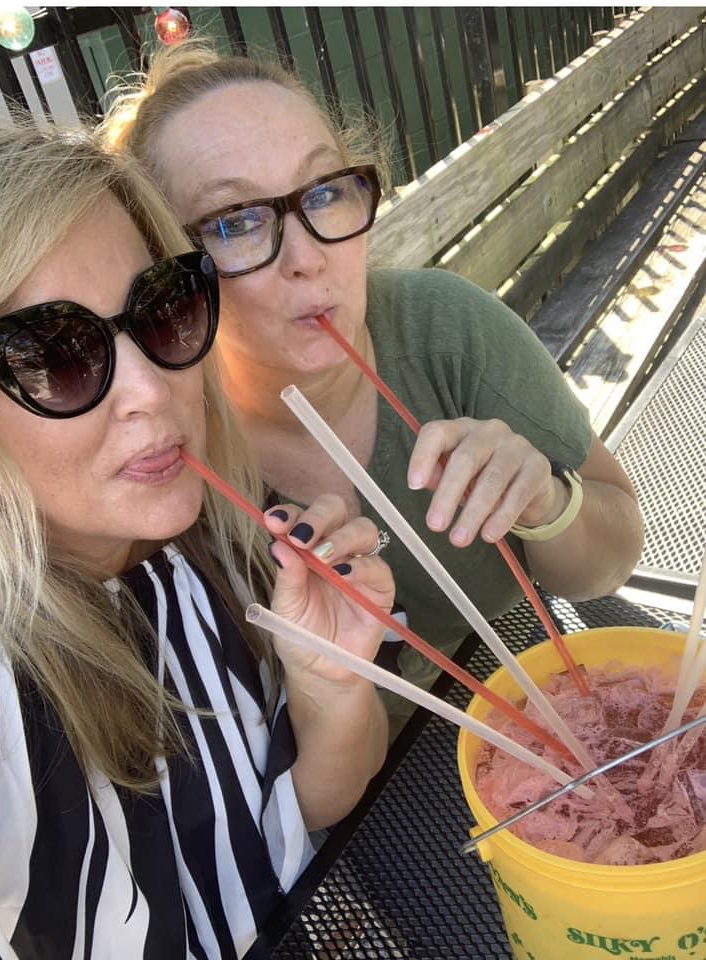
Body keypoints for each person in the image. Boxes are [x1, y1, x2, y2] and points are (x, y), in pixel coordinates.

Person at [101, 42, 645, 731]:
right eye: (234, 221)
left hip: (541, 683)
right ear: (167, 269)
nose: (308, 258)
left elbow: (614, 556)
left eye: (324, 192)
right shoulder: (170, 458)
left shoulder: (443, 330)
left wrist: (547, 502)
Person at [0, 122, 392, 959]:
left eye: (161, 308)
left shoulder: (234, 541)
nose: (150, 387)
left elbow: (310, 810)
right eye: (52, 355)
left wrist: (330, 693)